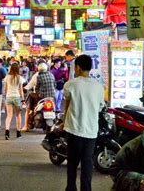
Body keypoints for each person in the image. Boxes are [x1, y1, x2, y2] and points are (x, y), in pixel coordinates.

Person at [63, 55, 104, 191]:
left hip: (73, 129)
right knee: (87, 164)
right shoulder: (98, 87)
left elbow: (67, 105)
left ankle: (71, 188)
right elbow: (100, 107)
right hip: (91, 131)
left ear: (78, 68)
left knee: (72, 163)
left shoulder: (71, 84)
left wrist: (64, 122)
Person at [4, 63, 24, 140]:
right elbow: (21, 90)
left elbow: (5, 89)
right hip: (17, 97)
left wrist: (6, 95)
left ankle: (7, 133)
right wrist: (23, 99)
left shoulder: (7, 77)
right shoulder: (19, 78)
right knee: (18, 115)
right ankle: (18, 133)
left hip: (9, 97)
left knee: (9, 115)